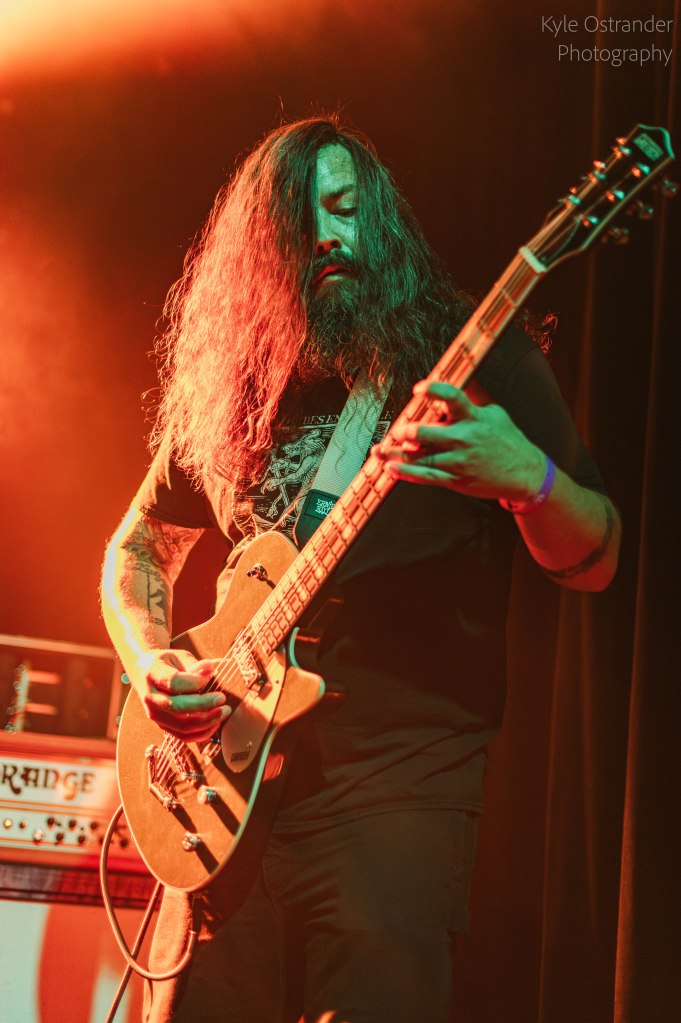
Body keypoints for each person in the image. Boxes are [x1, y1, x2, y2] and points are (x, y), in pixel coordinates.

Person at [101, 115, 620, 1023]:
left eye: (343, 209)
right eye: (299, 224)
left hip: (397, 793)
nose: (327, 236)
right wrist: (150, 660)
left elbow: (597, 557)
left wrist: (526, 479)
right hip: (222, 800)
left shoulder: (468, 354)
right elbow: (138, 544)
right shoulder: (236, 386)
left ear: (377, 219)